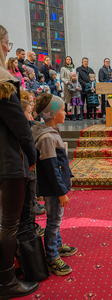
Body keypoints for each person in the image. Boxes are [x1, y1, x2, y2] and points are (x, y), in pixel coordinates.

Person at [0, 24, 39, 299]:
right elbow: (21, 128)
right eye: (7, 43)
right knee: (8, 223)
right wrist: (32, 155)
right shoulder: (3, 81)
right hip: (7, 161)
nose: (7, 48)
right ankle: (6, 282)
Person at [32, 93, 77, 276]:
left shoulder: (50, 132)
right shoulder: (47, 138)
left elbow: (59, 163)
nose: (66, 113)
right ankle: (52, 257)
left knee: (56, 219)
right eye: (63, 110)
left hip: (56, 187)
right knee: (54, 221)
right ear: (52, 114)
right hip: (53, 189)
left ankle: (57, 246)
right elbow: (51, 168)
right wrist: (61, 192)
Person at [20, 99, 45, 236]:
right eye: (29, 112)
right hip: (26, 169)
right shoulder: (23, 128)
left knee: (29, 201)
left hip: (26, 168)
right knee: (28, 203)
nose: (32, 115)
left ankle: (29, 227)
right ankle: (29, 231)